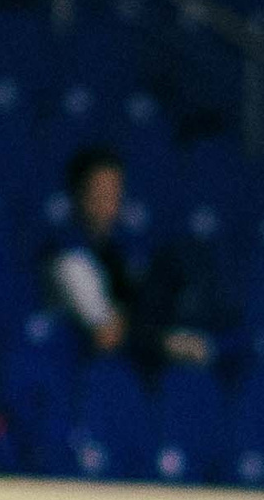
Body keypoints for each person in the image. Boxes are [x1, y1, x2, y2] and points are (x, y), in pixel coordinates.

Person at [46, 148, 213, 370]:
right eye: (101, 192)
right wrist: (165, 342)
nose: (110, 202)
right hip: (82, 372)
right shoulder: (67, 259)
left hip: (131, 365)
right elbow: (106, 335)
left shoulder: (119, 251)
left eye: (115, 191)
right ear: (79, 195)